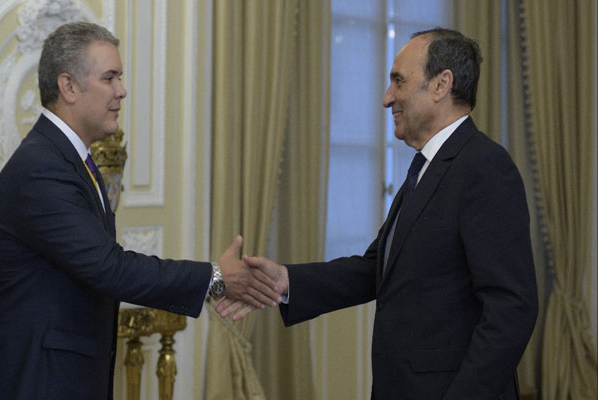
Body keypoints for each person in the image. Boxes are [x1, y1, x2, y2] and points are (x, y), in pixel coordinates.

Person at [0, 22, 281, 399]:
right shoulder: (42, 168)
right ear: (68, 87)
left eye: (120, 78)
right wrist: (215, 276)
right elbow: (109, 268)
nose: (121, 91)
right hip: (30, 382)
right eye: (109, 78)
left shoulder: (70, 160)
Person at [219, 28, 539, 399]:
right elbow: (377, 270)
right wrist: (286, 281)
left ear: (441, 84)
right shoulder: (427, 168)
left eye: (399, 81)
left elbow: (511, 309)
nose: (388, 98)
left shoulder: (484, 167)